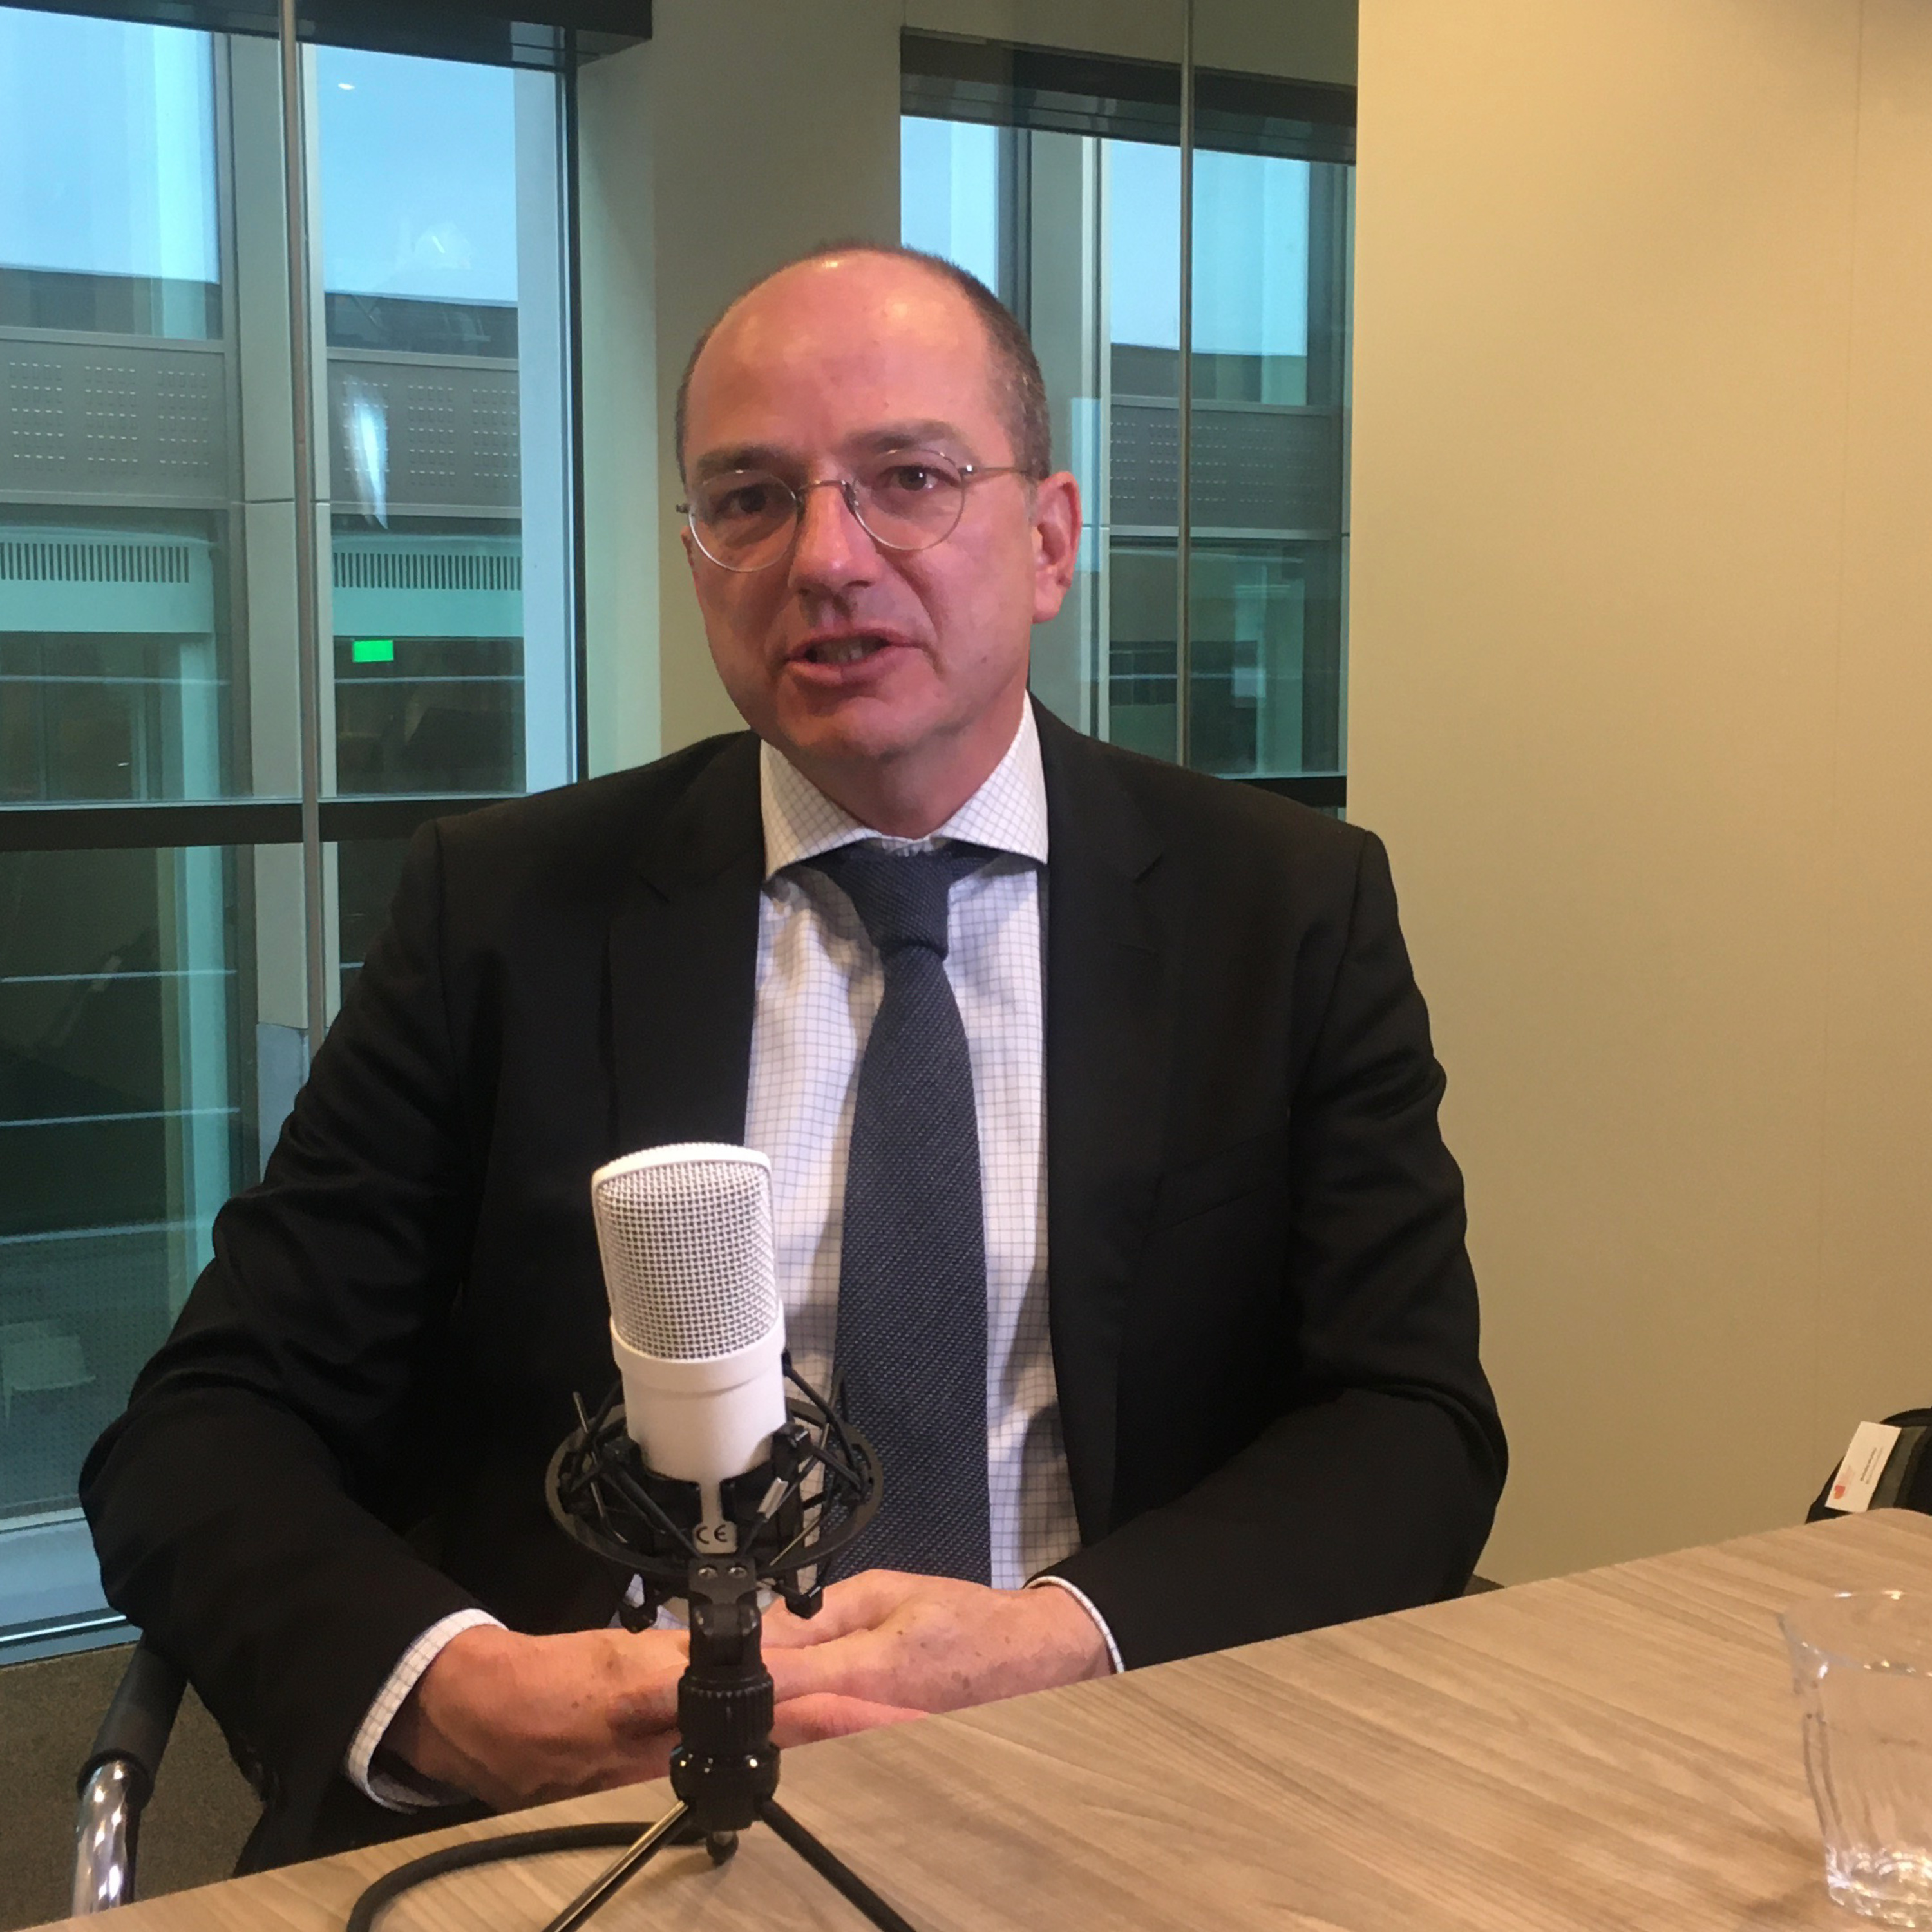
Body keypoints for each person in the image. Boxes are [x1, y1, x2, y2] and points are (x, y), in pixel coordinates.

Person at [80, 243, 1505, 1867]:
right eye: (749, 499)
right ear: (698, 558)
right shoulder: (508, 912)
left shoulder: (1284, 907)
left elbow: (1410, 1419)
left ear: (1049, 542)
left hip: (1113, 1778)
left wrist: (1070, 1639)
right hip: (599, 1818)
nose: (826, 559)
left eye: (911, 479)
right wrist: (456, 1690)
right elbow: (208, 1426)